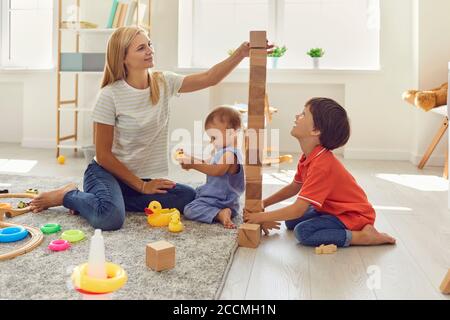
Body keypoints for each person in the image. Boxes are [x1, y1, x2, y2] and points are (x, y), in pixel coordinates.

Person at [31, 26, 269, 231]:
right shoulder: (110, 96)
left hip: (138, 178)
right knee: (110, 218)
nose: (150, 51)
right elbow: (103, 155)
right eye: (141, 48)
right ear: (124, 58)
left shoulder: (163, 82)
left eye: (149, 44)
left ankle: (101, 199)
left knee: (188, 197)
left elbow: (209, 77)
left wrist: (241, 54)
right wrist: (142, 186)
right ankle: (69, 195)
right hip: (106, 172)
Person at [245, 98, 396, 247]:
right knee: (290, 221)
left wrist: (259, 217)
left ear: (315, 130)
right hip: (332, 209)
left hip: (352, 215)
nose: (297, 116)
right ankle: (328, 221)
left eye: (303, 114)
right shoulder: (310, 156)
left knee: (303, 232)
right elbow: (294, 187)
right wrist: (264, 203)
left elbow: (298, 209)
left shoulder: (322, 165)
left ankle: (362, 236)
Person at [180, 106, 244, 229]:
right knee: (193, 195)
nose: (211, 142)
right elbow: (207, 163)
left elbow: (216, 171)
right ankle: (220, 211)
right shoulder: (222, 151)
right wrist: (189, 158)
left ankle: (219, 214)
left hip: (221, 200)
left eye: (214, 137)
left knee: (189, 209)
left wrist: (193, 164)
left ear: (232, 133)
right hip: (217, 198)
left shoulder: (230, 154)